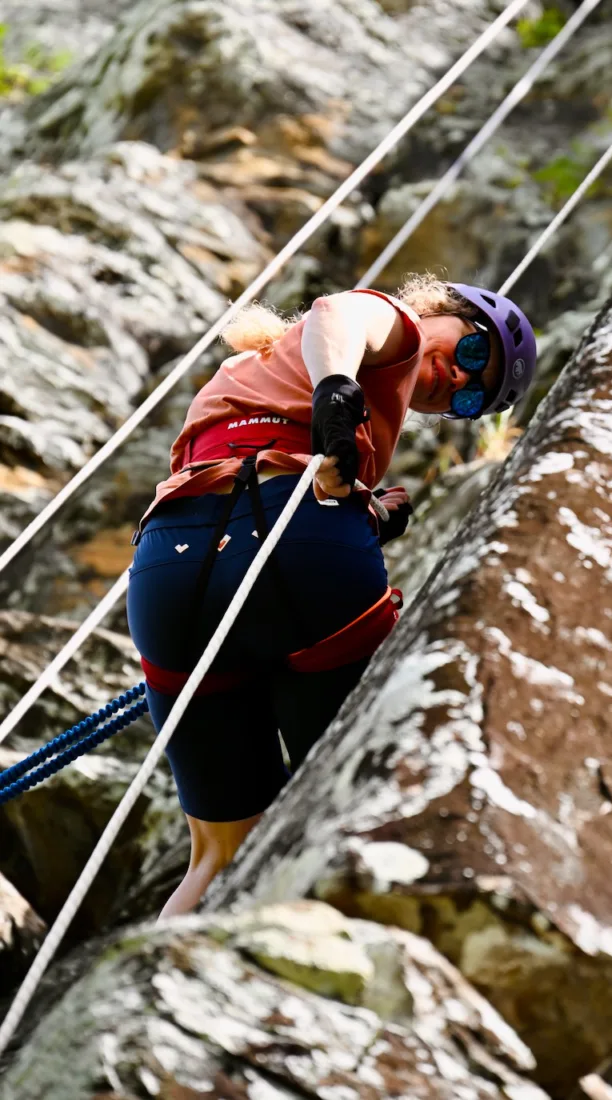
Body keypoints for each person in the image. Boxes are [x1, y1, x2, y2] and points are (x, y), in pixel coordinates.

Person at [126, 275, 537, 917]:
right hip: (303, 548)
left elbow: (252, 462)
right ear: (439, 310)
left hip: (170, 570)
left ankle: (148, 1003)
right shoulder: (393, 327)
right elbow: (340, 316)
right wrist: (336, 390)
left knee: (220, 855)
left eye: (470, 399)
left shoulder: (246, 367)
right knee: (360, 799)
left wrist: (363, 504)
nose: (460, 380)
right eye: (474, 353)